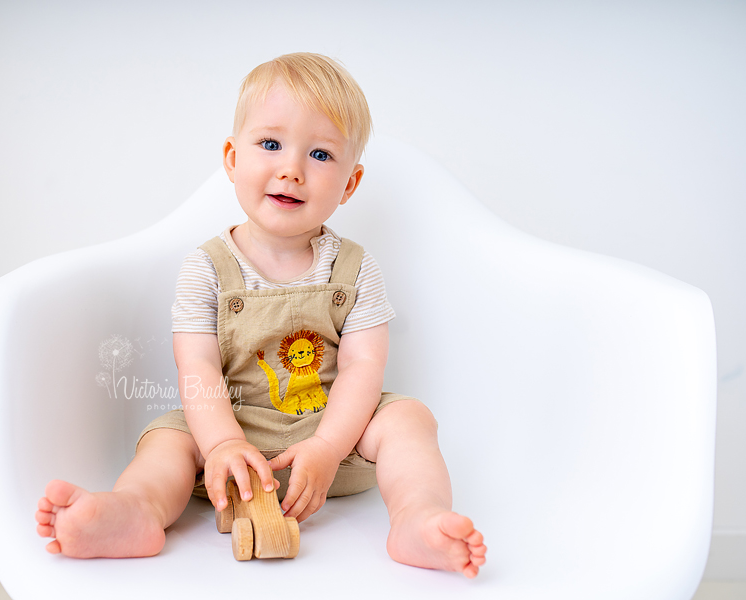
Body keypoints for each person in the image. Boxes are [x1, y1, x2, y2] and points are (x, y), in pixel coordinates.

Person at [35, 52, 487, 577]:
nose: (290, 170)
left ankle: (417, 517)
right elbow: (198, 368)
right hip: (228, 440)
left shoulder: (355, 269)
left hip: (333, 443)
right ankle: (136, 510)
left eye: (320, 154)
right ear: (231, 157)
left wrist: (326, 446)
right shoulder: (206, 268)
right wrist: (222, 443)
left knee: (409, 418)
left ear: (350, 184)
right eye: (270, 144)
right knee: (168, 440)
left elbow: (364, 368)